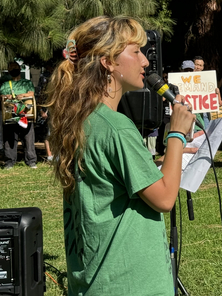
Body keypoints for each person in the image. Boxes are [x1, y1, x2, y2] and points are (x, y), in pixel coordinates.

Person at [45, 16, 196, 295]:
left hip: (95, 281)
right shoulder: (116, 127)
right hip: (130, 284)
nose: (146, 62)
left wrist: (157, 164)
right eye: (136, 51)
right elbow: (163, 198)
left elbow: (108, 182)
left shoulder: (83, 120)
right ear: (108, 62)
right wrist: (175, 134)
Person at [1, 61, 38, 169]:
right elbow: (1, 96)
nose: (13, 69)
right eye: (11, 68)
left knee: (28, 137)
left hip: (25, 114)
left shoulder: (27, 83)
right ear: (8, 71)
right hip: (10, 114)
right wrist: (5, 96)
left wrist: (23, 95)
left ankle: (31, 161)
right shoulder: (5, 84)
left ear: (19, 69)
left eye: (15, 67)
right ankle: (9, 162)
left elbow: (31, 93)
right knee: (9, 139)